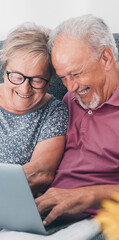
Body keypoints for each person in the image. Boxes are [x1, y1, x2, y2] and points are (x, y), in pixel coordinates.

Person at [0, 23, 69, 238]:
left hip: (12, 218)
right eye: (17, 76)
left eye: (37, 80)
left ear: (50, 81)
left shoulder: (55, 111)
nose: (25, 88)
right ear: (4, 71)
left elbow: (41, 173)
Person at [34, 14, 119, 239]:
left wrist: (86, 195)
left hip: (95, 221)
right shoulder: (69, 101)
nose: (70, 88)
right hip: (45, 215)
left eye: (76, 74)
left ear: (106, 58)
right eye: (63, 78)